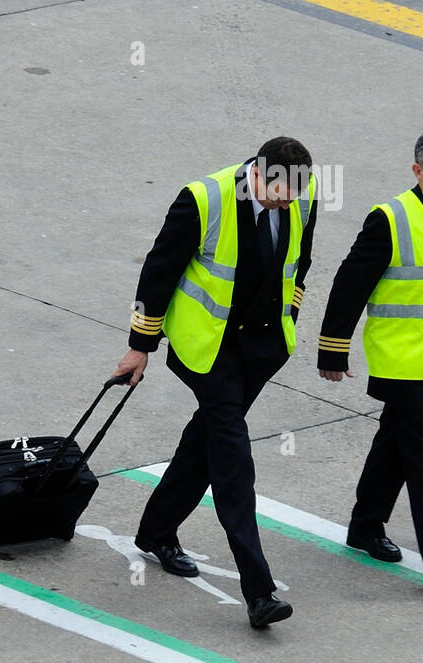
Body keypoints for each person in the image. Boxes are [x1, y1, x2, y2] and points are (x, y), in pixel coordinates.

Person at [114, 137, 317, 628]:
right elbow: (158, 271)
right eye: (278, 192)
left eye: (294, 193)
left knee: (205, 441)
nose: (286, 202)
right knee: (233, 462)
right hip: (210, 349)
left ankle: (157, 530)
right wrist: (141, 345)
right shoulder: (203, 199)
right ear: (257, 173)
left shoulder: (300, 197)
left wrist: (289, 315)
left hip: (261, 348)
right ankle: (259, 590)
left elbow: (300, 264)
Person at [317, 129, 423, 592]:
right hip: (401, 361)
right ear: (418, 171)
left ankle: (365, 525)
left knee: (393, 445)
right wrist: (333, 348)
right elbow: (350, 285)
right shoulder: (390, 219)